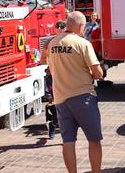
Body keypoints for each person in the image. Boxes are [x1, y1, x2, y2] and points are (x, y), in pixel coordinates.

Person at [46, 11, 103, 173]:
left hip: (61, 99)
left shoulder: (53, 43)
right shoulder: (82, 43)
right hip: (83, 97)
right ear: (80, 26)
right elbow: (98, 73)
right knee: (94, 140)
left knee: (68, 142)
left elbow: (52, 69)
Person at [41, 20, 66, 139]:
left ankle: (56, 126)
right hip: (57, 76)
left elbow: (42, 60)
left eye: (61, 28)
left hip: (56, 76)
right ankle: (54, 125)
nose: (60, 30)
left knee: (55, 102)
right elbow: (42, 59)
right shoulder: (69, 42)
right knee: (55, 102)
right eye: (59, 27)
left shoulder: (50, 42)